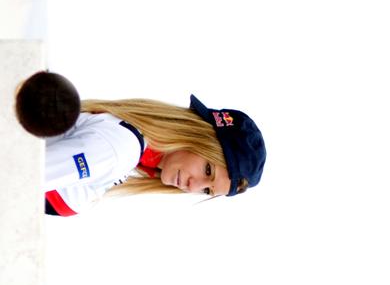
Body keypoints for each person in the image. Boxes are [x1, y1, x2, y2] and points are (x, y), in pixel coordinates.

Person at [15, 72, 267, 217]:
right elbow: (14, 176)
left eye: (206, 191)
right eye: (207, 170)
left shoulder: (130, 150)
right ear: (196, 134)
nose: (193, 186)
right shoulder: (121, 149)